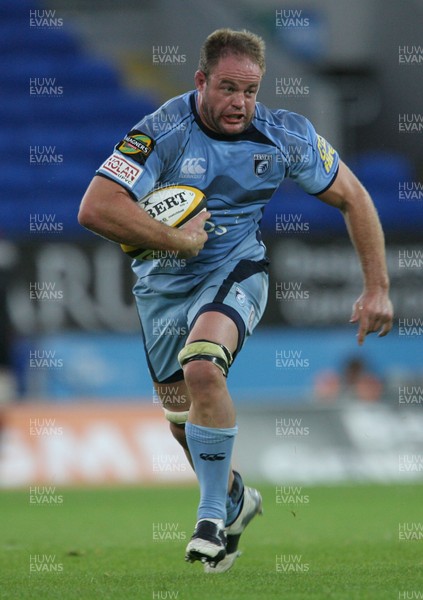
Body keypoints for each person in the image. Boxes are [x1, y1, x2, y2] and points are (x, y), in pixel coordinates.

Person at [78, 28, 393, 572]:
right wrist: (178, 239)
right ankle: (234, 499)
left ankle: (208, 522)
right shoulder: (161, 132)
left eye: (250, 91)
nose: (240, 103)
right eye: (228, 89)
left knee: (203, 368)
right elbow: (96, 208)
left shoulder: (284, 135)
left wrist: (378, 287)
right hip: (162, 289)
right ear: (200, 81)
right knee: (182, 424)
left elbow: (355, 197)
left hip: (236, 269)